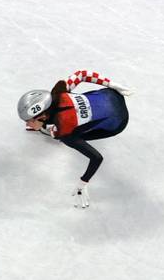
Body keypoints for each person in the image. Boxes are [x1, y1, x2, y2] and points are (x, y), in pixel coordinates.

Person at [18, 70, 133, 208]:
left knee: (64, 134)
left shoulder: (64, 132)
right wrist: (112, 84)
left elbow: (97, 158)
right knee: (66, 125)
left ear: (42, 117)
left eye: (29, 121)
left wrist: (83, 183)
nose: (27, 124)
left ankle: (46, 130)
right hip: (112, 94)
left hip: (119, 123)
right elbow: (82, 74)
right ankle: (45, 128)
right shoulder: (58, 92)